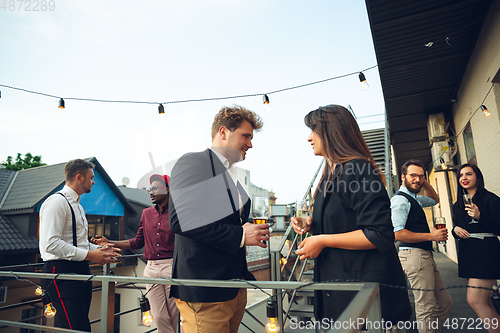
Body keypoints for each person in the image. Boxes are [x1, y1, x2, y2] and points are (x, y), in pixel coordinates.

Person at [292, 104, 412, 329]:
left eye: (314, 130)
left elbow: (380, 234)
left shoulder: (358, 170)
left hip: (363, 297)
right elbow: (345, 220)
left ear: (332, 132)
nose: (309, 138)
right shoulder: (331, 175)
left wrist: (322, 240)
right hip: (340, 291)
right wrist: (311, 224)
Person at [168, 105, 270, 333]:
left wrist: (246, 229)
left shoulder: (232, 174)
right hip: (206, 291)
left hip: (233, 288)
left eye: (251, 138)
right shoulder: (193, 162)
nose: (250, 144)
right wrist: (242, 234)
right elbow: (181, 220)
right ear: (223, 132)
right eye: (246, 136)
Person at [39, 159, 121, 332]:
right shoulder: (56, 202)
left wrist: (101, 250)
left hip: (81, 271)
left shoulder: (79, 207)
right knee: (77, 328)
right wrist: (91, 256)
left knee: (79, 326)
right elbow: (50, 244)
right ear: (79, 177)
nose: (94, 181)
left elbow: (80, 244)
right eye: (91, 177)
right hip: (60, 272)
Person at [91, 174, 179, 333]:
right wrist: (109, 242)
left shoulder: (177, 213)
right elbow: (137, 242)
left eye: (156, 188)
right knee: (159, 316)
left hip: (172, 267)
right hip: (151, 269)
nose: (151, 192)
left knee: (173, 315)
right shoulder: (146, 214)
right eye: (150, 189)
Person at [391, 159, 453, 333]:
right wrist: (431, 236)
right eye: (413, 176)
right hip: (414, 256)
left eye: (420, 177)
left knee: (445, 302)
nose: (417, 180)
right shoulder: (400, 201)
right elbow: (397, 234)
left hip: (425, 255)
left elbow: (435, 199)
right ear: (403, 177)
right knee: (426, 305)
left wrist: (422, 181)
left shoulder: (415, 198)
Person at [452, 164, 500, 332]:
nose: (464, 178)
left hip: (486, 254)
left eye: (468, 174)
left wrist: (480, 216)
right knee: (485, 302)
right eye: (461, 175)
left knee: (475, 301)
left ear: (477, 177)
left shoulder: (491, 199)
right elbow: (458, 227)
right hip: (468, 255)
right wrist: (455, 230)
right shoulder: (457, 205)